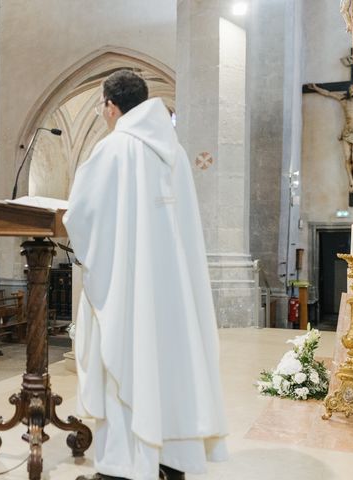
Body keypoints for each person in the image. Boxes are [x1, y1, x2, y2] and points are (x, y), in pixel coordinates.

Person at [63, 70, 227, 480]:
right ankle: (172, 460)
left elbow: (80, 216)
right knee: (168, 364)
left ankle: (122, 465)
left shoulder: (112, 149)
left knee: (126, 361)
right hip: (172, 289)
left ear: (110, 106)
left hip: (129, 287)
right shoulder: (175, 151)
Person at [307, 83, 353, 193]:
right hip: (346, 133)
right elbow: (329, 94)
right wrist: (316, 88)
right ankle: (350, 181)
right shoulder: (344, 100)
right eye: (350, 88)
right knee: (347, 158)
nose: (351, 90)